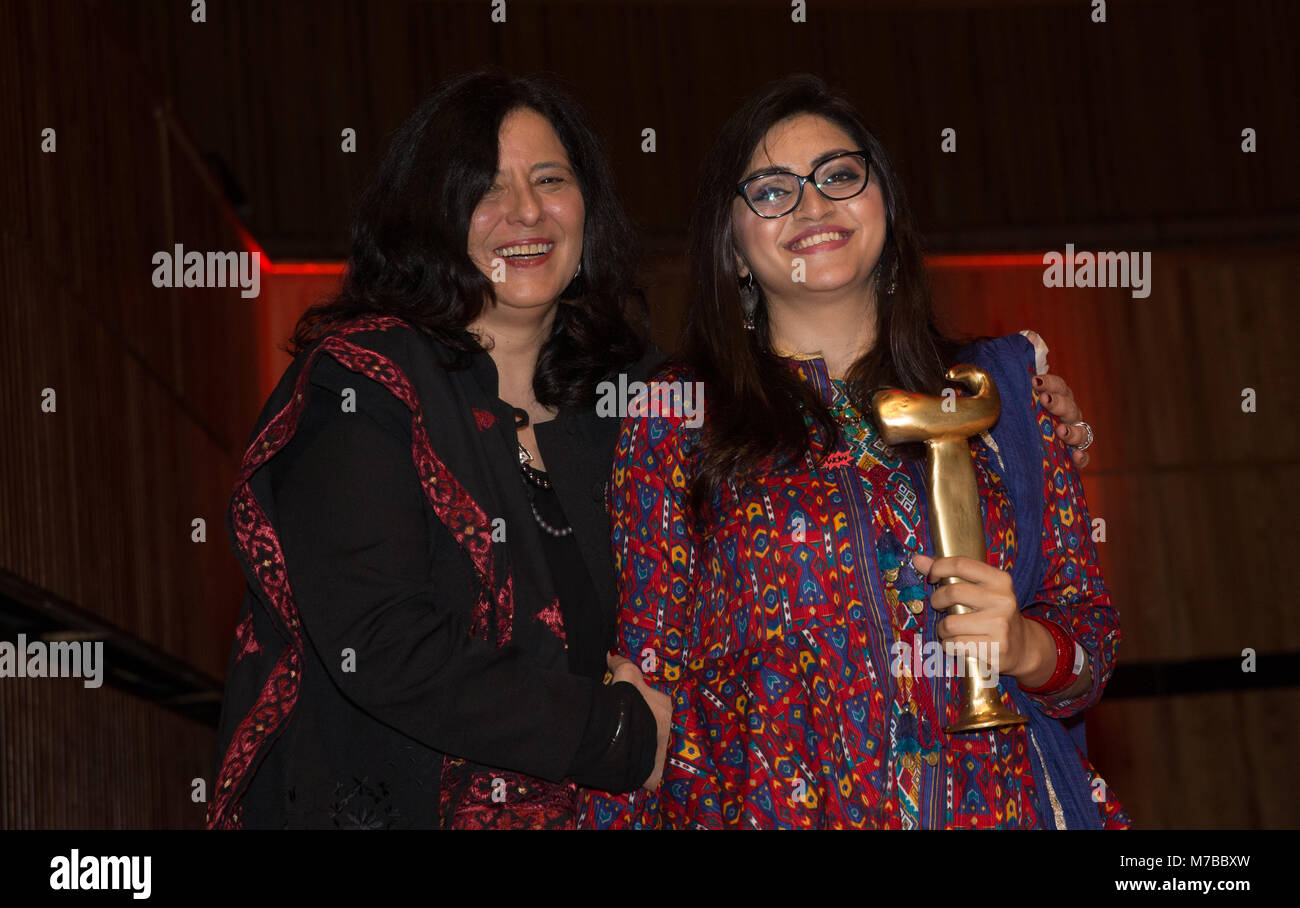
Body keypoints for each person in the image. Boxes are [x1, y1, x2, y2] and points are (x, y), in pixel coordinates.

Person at [578, 74, 1127, 829]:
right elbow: (651, 685)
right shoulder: (677, 418)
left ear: (886, 208)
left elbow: (1089, 643)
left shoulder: (1000, 397)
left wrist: (1027, 646)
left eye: (839, 175)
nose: (812, 204)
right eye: (771, 191)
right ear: (732, 248)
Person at [207, 70, 671, 829]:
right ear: (431, 218)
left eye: (549, 180)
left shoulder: (635, 404)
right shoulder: (364, 386)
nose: (526, 211)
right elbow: (384, 645)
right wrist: (613, 732)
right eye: (486, 188)